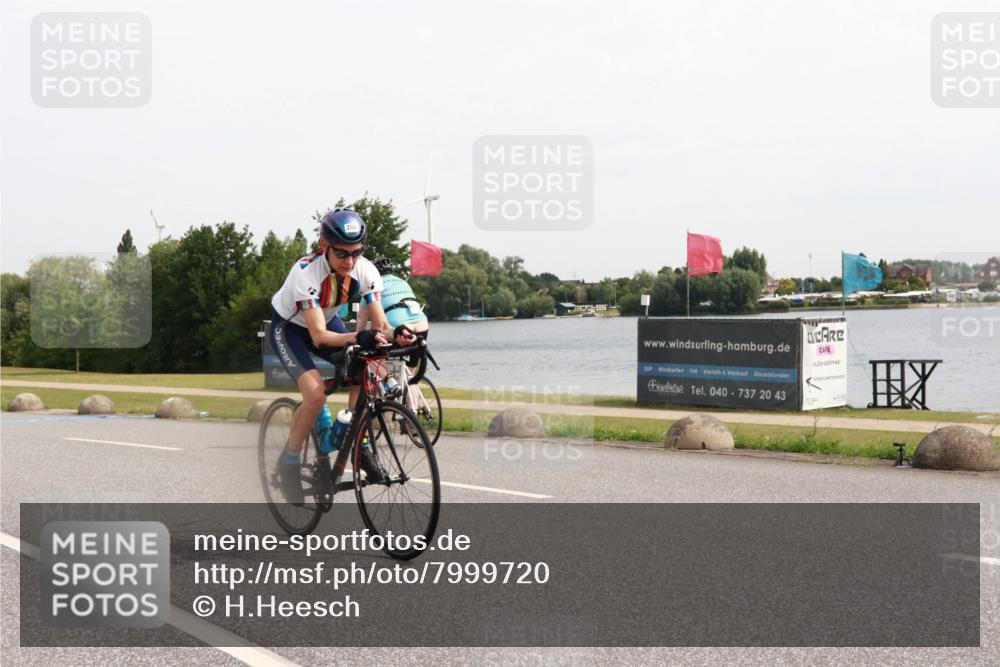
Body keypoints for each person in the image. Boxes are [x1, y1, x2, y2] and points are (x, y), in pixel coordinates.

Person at [268, 208, 415, 504]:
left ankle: (358, 445)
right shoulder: (306, 273)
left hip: (326, 319)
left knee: (364, 361)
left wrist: (398, 333)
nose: (350, 261)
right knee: (315, 395)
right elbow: (319, 336)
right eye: (342, 254)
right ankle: (289, 461)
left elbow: (381, 325)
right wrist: (356, 335)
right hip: (291, 328)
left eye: (356, 253)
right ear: (325, 247)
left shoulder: (365, 271)